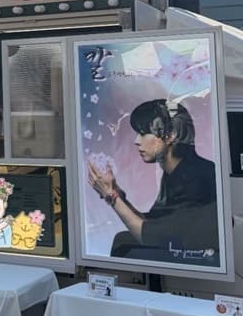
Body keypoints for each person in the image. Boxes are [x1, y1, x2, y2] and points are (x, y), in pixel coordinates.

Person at [87, 99, 219, 262]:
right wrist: (119, 196)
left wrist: (112, 197)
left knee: (124, 244)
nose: (137, 141)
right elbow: (153, 223)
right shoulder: (177, 172)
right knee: (122, 240)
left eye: (143, 133)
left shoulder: (197, 177)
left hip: (195, 260)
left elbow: (151, 236)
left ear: (170, 135)